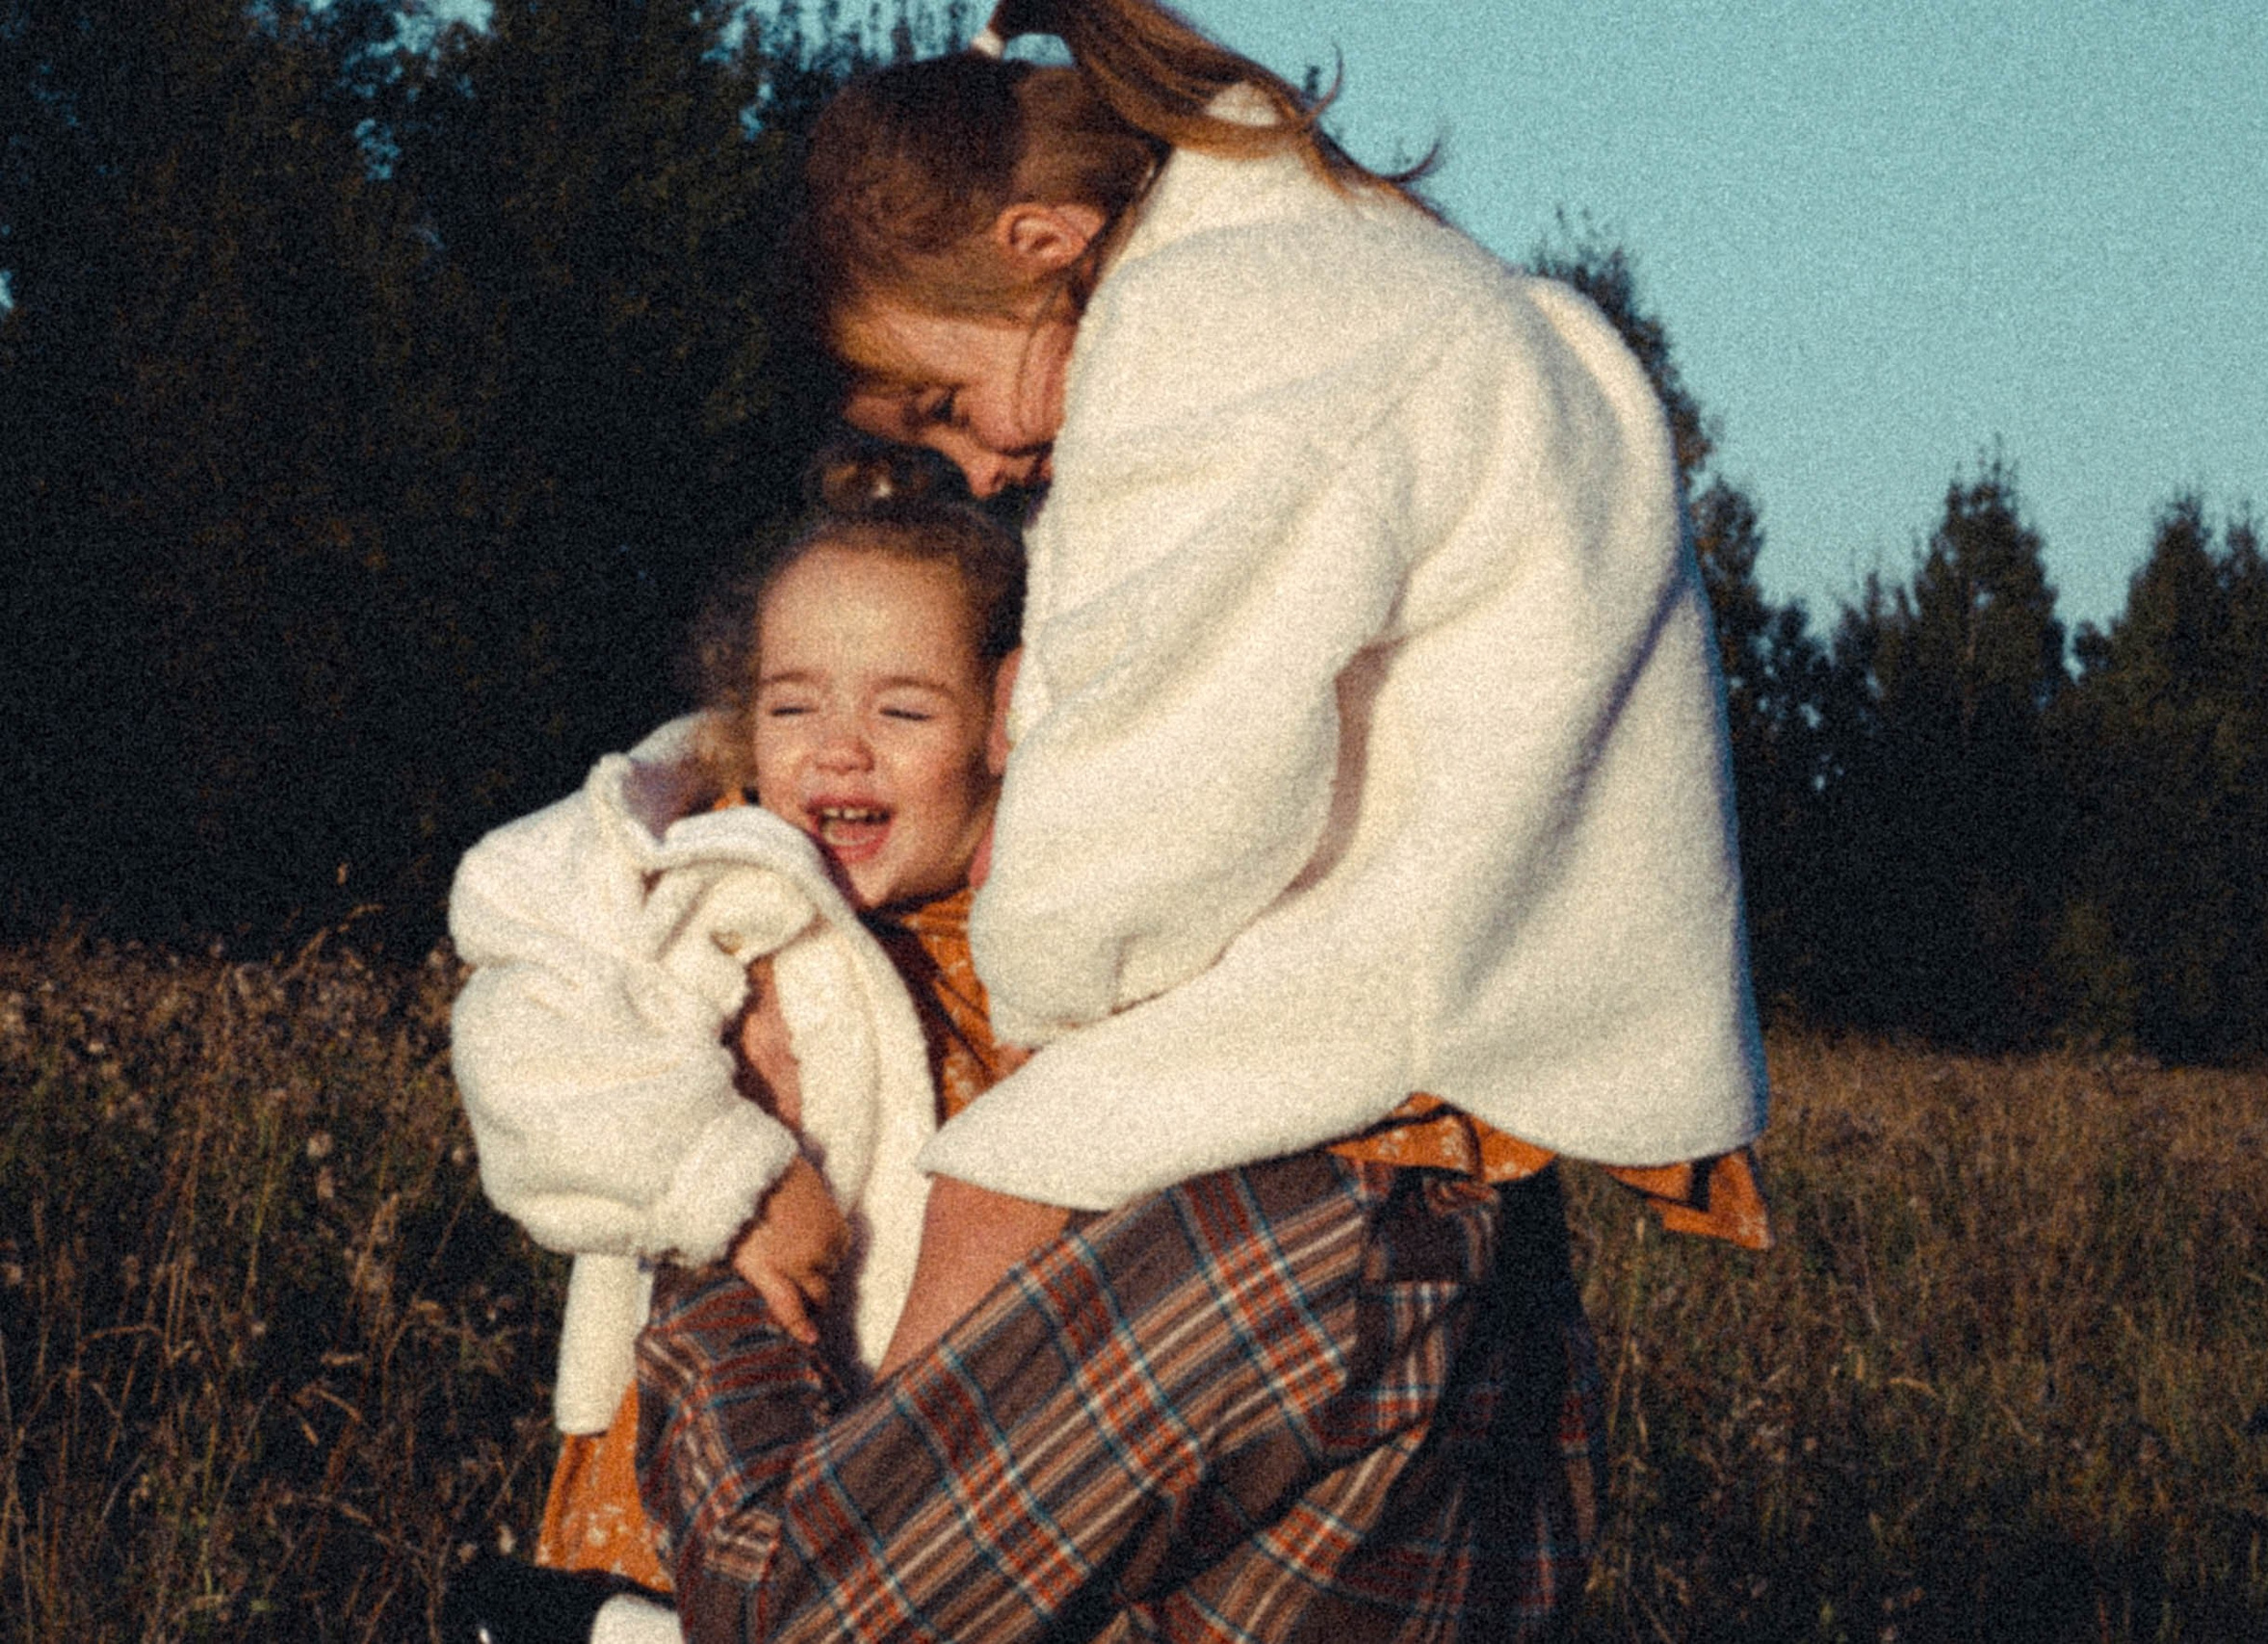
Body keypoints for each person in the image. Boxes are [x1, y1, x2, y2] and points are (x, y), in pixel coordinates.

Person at [621, 0, 1774, 1637]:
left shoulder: (1215, 344)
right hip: (1478, 1221)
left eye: (946, 400)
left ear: (1042, 244)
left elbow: (1136, 852)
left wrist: (728, 1189)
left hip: (1310, 1213)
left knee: (795, 1607)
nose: (986, 466)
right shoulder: (1390, 291)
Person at [446, 491, 1028, 1637]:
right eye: (791, 703)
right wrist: (728, 1174)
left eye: (905, 710)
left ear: (1003, 726)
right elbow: (527, 1048)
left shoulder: (1038, 939)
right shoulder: (706, 888)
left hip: (940, 1456)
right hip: (698, 1411)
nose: (839, 747)